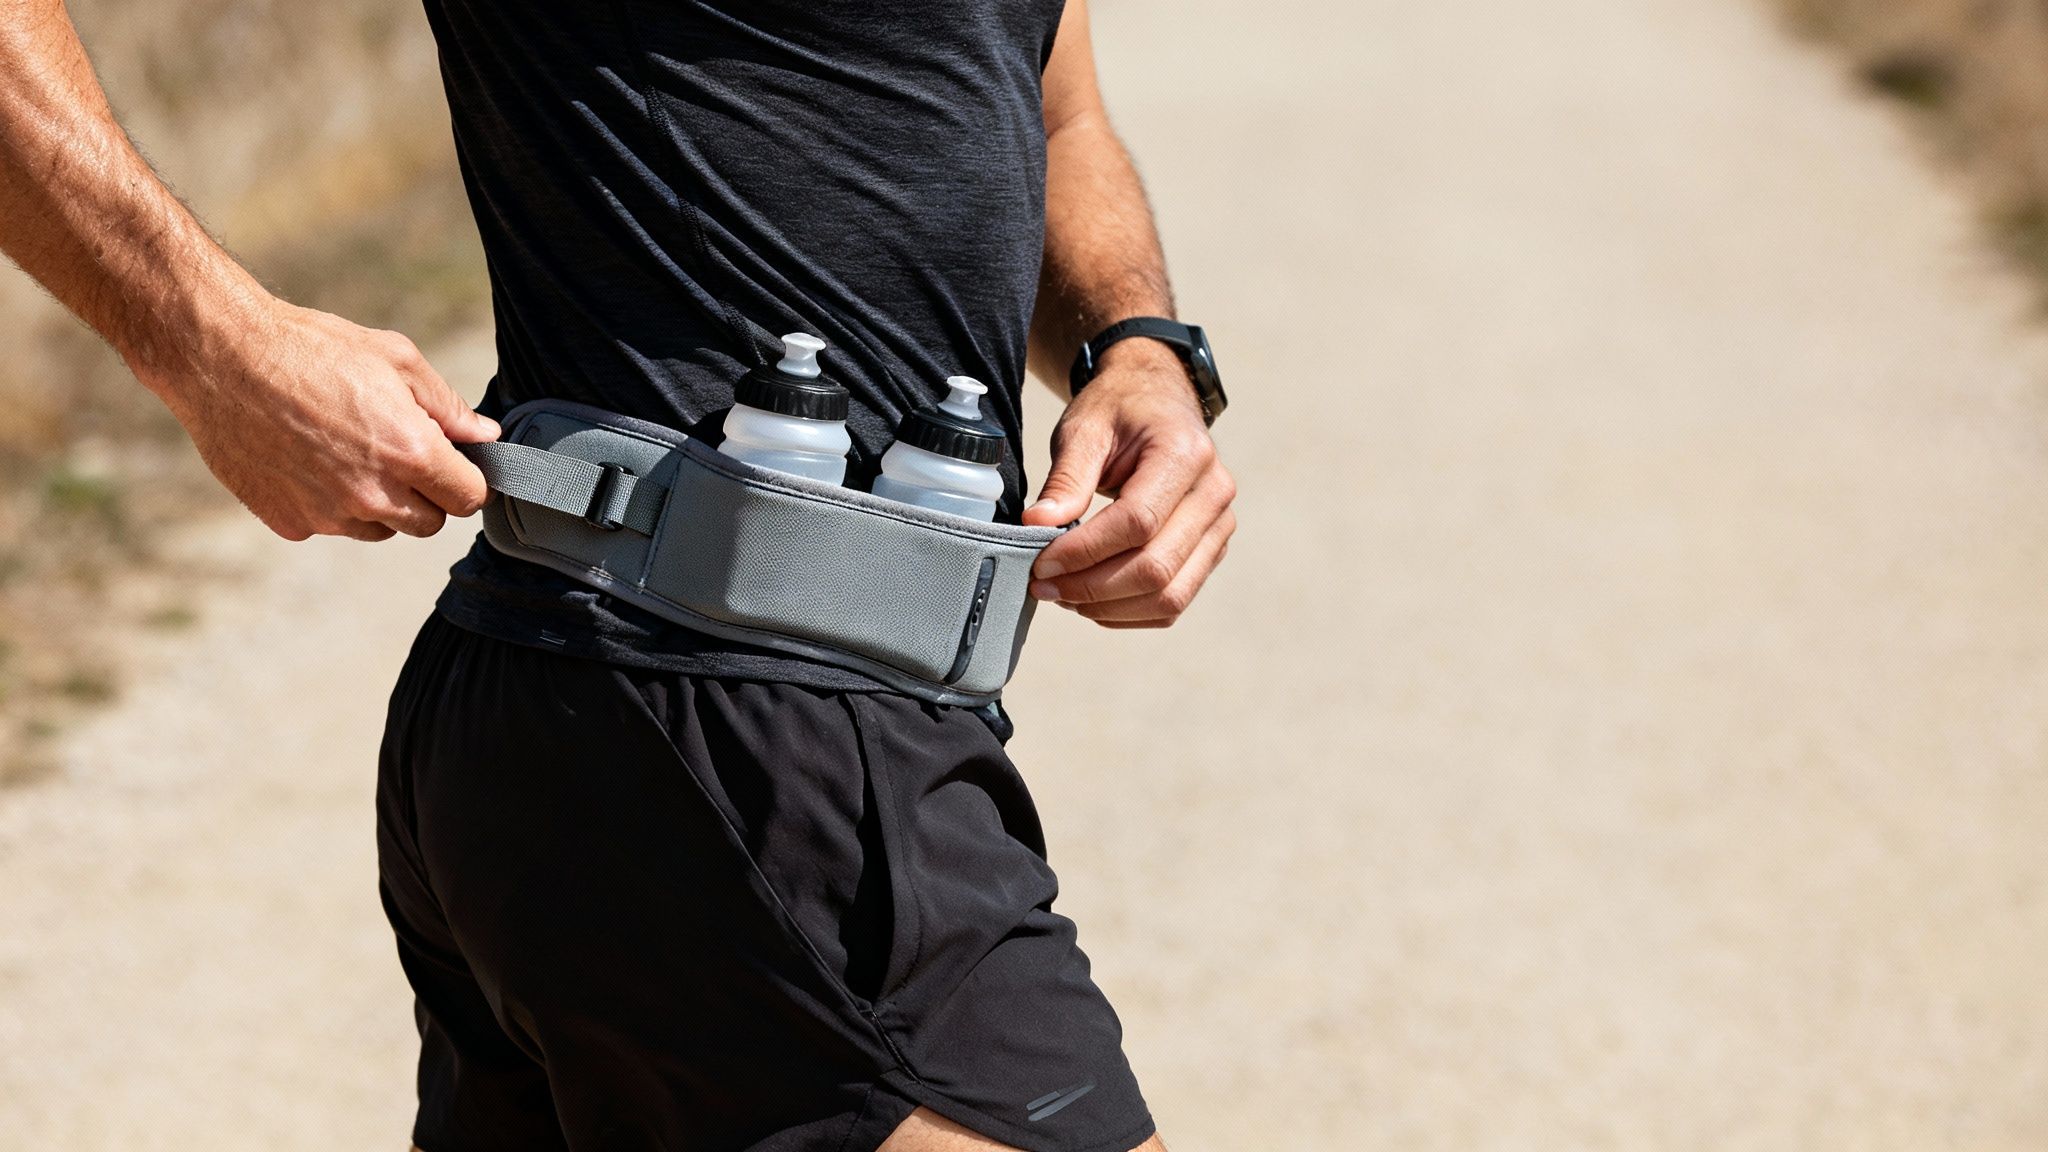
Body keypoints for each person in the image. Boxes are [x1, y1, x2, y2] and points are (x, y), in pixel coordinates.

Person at [0, 0, 1238, 1147]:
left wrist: (1133, 347)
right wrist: (214, 343)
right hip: (711, 720)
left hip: (779, 727)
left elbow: (1045, 100)